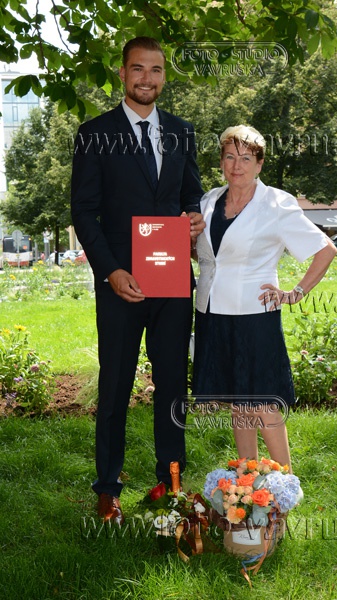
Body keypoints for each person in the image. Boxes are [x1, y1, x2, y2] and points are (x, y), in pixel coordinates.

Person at [71, 37, 204, 525]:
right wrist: (110, 270)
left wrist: (194, 218)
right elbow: (83, 211)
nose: (147, 78)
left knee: (172, 387)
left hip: (172, 282)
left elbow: (190, 195)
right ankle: (108, 489)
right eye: (138, 69)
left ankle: (171, 483)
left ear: (164, 75)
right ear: (122, 74)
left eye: (156, 69)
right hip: (120, 284)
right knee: (115, 387)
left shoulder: (182, 132)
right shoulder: (94, 134)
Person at [192, 125, 337, 471]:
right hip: (212, 312)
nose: (236, 166)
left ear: (259, 164)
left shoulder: (277, 204)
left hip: (255, 316)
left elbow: (326, 249)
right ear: (221, 162)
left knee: (263, 403)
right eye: (230, 157)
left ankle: (284, 485)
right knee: (238, 402)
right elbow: (209, 256)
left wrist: (295, 292)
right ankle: (247, 484)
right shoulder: (208, 201)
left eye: (246, 158)